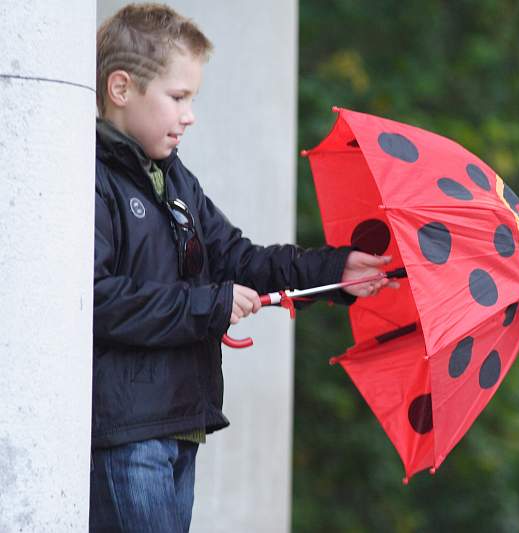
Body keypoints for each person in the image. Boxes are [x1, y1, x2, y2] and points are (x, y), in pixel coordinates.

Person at [91, 4, 393, 531]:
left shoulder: (177, 182)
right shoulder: (90, 177)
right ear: (121, 89)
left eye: (193, 99)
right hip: (126, 433)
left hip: (180, 425)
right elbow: (98, 301)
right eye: (178, 97)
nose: (190, 115)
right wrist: (212, 304)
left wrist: (335, 270)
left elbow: (241, 259)